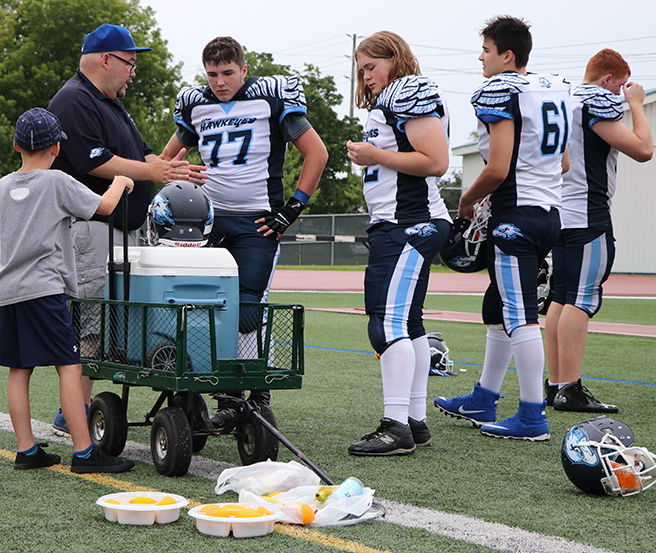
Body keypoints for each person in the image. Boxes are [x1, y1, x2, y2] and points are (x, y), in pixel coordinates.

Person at [47, 24, 205, 436]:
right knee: (92, 325)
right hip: (91, 229)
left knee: (109, 325)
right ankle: (72, 414)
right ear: (106, 59)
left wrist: (169, 169)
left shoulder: (110, 102)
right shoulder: (74, 98)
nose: (133, 72)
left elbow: (143, 154)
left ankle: (79, 410)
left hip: (115, 231)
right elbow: (94, 161)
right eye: (129, 63)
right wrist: (153, 171)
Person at [161, 36, 328, 426]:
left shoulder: (271, 98)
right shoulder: (197, 104)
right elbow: (166, 159)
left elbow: (317, 153)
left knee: (248, 310)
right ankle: (225, 398)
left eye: (228, 72)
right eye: (212, 74)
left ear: (244, 69)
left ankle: (257, 394)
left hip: (257, 222)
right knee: (202, 307)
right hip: (210, 223)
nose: (220, 82)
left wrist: (293, 208)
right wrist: (176, 173)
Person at [434, 16, 571, 441]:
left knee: (519, 316)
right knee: (498, 308)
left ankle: (532, 416)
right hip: (548, 214)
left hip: (516, 217)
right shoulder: (551, 88)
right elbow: (564, 163)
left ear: (507, 55)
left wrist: (466, 199)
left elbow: (497, 168)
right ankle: (484, 397)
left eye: (487, 50)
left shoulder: (501, 91)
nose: (481, 57)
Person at [0, 107, 135, 473]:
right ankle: (85, 453)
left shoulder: (2, 186)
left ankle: (26, 450)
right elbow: (105, 206)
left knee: (18, 370)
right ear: (57, 148)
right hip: (44, 288)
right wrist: (120, 180)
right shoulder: (56, 181)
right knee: (70, 367)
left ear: (16, 145)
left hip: (7, 290)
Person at [345, 31, 450, 456]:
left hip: (409, 222)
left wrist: (375, 156)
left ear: (396, 58)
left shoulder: (408, 90)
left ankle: (396, 426)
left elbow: (436, 161)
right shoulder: (393, 97)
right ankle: (414, 421)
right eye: (362, 70)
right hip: (404, 221)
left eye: (372, 66)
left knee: (387, 323)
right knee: (409, 324)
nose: (366, 76)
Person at [544, 49, 653, 412]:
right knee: (580, 298)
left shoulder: (564, 98)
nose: (621, 92)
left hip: (560, 211)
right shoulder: (595, 100)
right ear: (607, 79)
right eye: (619, 85)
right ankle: (570, 388)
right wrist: (636, 103)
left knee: (561, 297)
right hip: (587, 213)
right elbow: (643, 149)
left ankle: (556, 384)